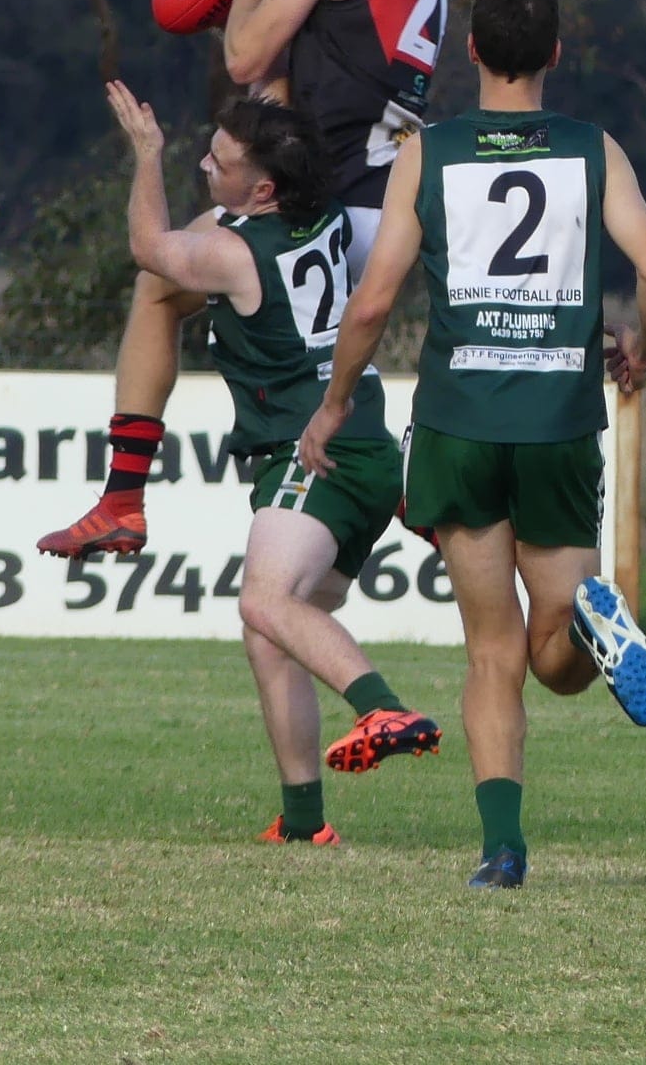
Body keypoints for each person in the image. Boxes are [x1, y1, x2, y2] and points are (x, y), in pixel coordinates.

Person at [297, 0, 646, 890]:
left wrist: (336, 402)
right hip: (556, 418)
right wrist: (644, 350)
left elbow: (374, 299)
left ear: (470, 50)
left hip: (460, 423)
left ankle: (501, 851)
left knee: (493, 650)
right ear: (554, 52)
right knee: (558, 658)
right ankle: (599, 620)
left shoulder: (429, 155)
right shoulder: (596, 149)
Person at [38, 0, 500, 560]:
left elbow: (248, 61)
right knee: (304, 353)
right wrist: (248, 11)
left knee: (160, 275)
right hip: (382, 211)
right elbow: (293, 96)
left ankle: (123, 501)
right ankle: (418, 498)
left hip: (326, 209)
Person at [99, 79, 441, 845]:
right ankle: (303, 823)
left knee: (263, 604)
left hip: (311, 447)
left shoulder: (233, 252)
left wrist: (147, 154)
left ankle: (381, 706)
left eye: (218, 164)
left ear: (260, 188)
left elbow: (149, 250)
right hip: (364, 444)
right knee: (280, 625)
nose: (204, 170)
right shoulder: (312, 215)